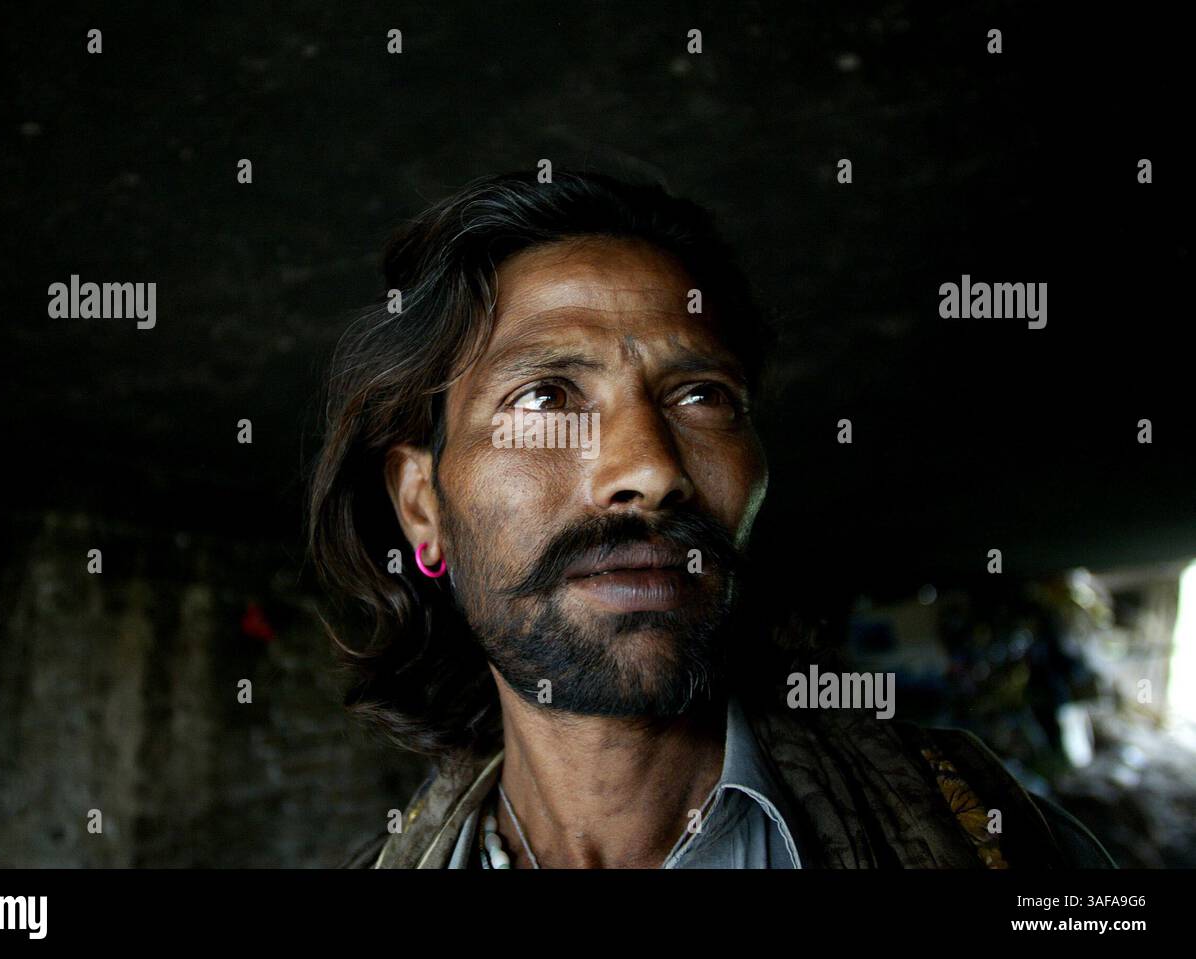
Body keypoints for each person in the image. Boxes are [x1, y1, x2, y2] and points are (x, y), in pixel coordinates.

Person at [308, 170, 1113, 869]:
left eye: (701, 397)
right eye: (547, 397)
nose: (652, 470)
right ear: (422, 504)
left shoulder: (984, 835)